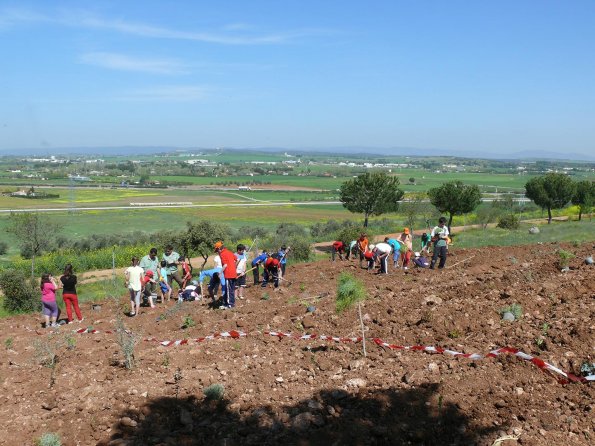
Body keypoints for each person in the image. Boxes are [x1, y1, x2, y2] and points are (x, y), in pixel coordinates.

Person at [215, 241, 237, 309]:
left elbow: (225, 265)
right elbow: (236, 259)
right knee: (231, 289)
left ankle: (229, 304)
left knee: (228, 289)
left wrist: (220, 273)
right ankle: (231, 303)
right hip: (233, 273)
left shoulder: (222, 254)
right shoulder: (229, 252)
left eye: (217, 250)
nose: (217, 252)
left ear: (219, 249)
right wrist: (233, 267)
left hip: (228, 274)